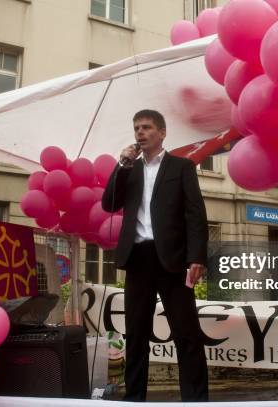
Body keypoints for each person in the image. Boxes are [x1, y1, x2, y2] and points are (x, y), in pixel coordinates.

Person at [102, 109, 209, 402]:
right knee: (136, 335)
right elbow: (108, 204)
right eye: (136, 127)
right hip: (138, 258)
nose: (140, 132)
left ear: (162, 133)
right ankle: (135, 398)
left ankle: (197, 399)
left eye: (147, 127)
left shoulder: (181, 167)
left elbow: (195, 214)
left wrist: (196, 256)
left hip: (172, 260)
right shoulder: (129, 168)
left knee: (186, 334)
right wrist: (121, 165)